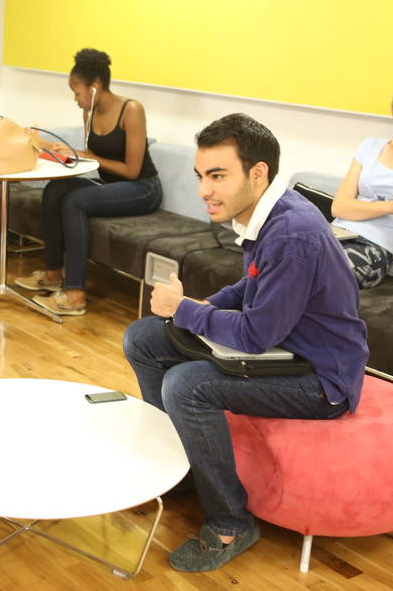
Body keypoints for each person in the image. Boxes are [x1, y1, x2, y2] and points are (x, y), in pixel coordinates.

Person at [123, 114, 369, 572]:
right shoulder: (267, 214)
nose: (203, 190)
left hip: (320, 376)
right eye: (201, 176)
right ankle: (182, 470)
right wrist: (195, 312)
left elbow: (256, 335)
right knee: (143, 338)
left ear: (258, 174)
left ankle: (230, 522)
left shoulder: (293, 233)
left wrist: (185, 310)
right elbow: (248, 288)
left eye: (218, 176)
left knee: (186, 385)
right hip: (285, 350)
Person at [14, 48, 162, 316]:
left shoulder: (131, 110)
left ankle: (75, 295)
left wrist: (86, 155)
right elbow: (93, 160)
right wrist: (58, 151)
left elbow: (131, 170)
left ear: (94, 87)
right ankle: (52, 273)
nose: (75, 99)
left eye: (77, 91)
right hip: (110, 185)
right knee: (55, 190)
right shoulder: (90, 112)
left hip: (143, 189)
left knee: (74, 201)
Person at [331, 71, 393, 288]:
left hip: (375, 248)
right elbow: (339, 207)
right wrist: (392, 206)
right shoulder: (370, 147)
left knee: (313, 270)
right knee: (278, 256)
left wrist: (387, 208)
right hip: (336, 234)